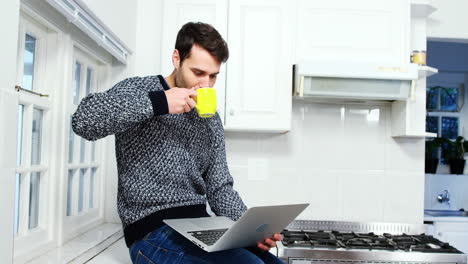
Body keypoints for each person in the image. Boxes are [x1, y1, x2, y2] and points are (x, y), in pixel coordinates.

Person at [72, 22, 284, 264]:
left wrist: (251, 230)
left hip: (202, 226)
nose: (206, 84)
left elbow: (219, 188)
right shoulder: (140, 90)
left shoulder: (210, 118)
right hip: (152, 232)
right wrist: (159, 102)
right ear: (176, 58)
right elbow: (84, 121)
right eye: (198, 73)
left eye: (213, 76)